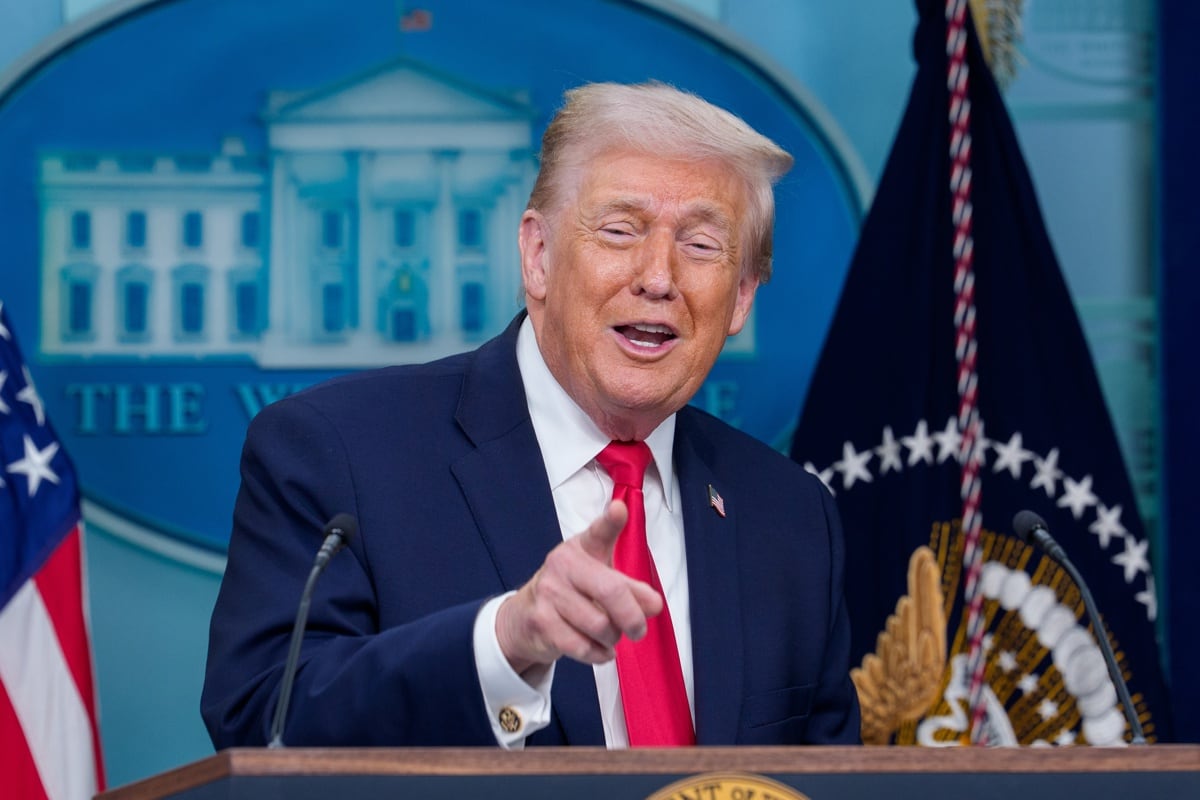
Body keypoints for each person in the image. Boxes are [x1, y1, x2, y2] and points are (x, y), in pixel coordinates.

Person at [201, 81, 861, 748]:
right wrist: (505, 644)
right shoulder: (338, 453)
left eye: (700, 246)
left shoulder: (791, 515)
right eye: (620, 230)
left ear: (742, 296)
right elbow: (264, 724)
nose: (658, 277)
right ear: (539, 257)